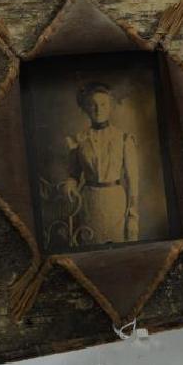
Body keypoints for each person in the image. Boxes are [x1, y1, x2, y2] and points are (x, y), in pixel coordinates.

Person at [60, 82, 140, 245]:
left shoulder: (123, 139)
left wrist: (133, 216)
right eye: (93, 104)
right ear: (86, 108)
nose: (98, 109)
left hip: (115, 202)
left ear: (110, 106)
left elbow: (133, 181)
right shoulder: (79, 140)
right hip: (88, 202)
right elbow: (73, 174)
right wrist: (69, 184)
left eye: (103, 104)